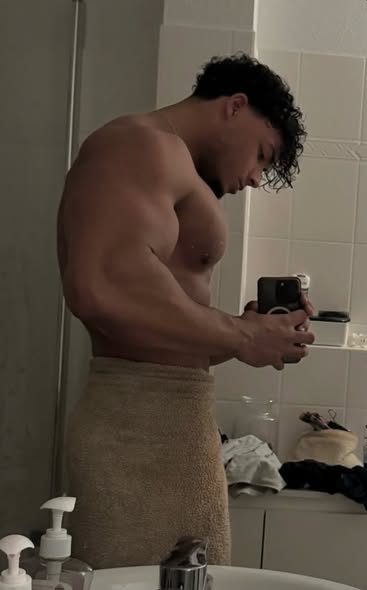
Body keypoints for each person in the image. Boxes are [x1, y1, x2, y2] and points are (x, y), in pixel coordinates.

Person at [57, 53, 314, 569]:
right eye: (262, 155)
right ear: (235, 106)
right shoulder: (138, 143)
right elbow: (101, 289)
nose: (256, 178)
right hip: (135, 428)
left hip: (174, 423)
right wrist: (242, 337)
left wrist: (246, 329)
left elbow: (154, 327)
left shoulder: (171, 164)